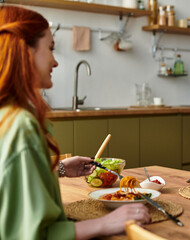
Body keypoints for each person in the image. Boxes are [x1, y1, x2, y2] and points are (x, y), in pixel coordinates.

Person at [0, 5, 150, 240]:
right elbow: (30, 235)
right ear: (24, 52)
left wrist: (59, 169)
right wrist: (105, 223)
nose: (56, 62)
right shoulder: (20, 125)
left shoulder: (5, 115)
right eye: (50, 49)